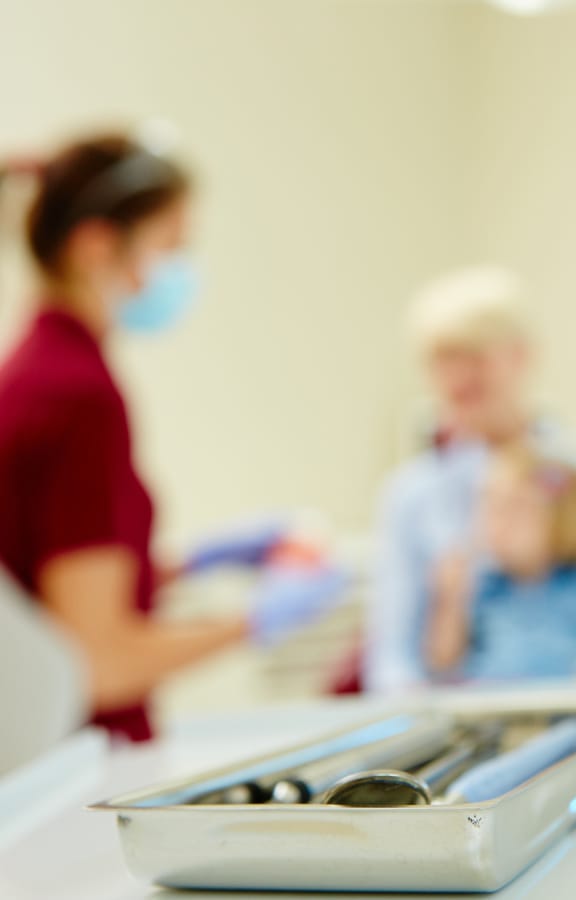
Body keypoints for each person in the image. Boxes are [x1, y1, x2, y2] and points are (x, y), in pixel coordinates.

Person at [0, 132, 349, 742]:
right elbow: (99, 663)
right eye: (172, 248)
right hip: (80, 764)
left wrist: (190, 565)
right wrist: (257, 619)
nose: (182, 271)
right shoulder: (78, 395)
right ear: (94, 247)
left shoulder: (36, 370)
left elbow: (51, 583)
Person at [364, 266, 573, 693]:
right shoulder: (411, 496)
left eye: (474, 356)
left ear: (521, 355)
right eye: (443, 360)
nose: (459, 377)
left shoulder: (567, 469)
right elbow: (392, 663)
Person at [426, 445, 576, 681]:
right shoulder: (485, 588)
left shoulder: (569, 589)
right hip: (490, 710)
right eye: (491, 508)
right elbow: (442, 665)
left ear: (560, 517)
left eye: (516, 509)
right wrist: (451, 601)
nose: (498, 524)